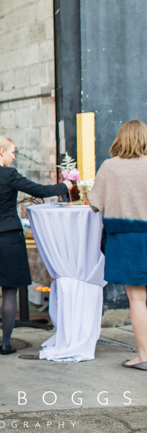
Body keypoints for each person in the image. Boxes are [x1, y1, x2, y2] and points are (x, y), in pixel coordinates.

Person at [0, 136, 69, 355]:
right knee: (10, 291)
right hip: (10, 238)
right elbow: (38, 190)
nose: (13, 156)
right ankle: (7, 344)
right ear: (1, 152)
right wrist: (64, 185)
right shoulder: (9, 175)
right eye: (12, 151)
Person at [87, 120, 147, 370]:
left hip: (126, 238)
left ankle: (144, 355)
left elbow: (94, 203)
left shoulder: (109, 167)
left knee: (137, 299)